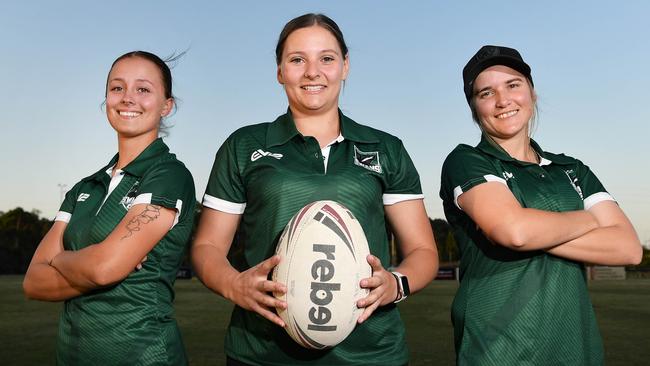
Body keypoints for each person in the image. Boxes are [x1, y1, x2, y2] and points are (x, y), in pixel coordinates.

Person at [192, 13, 438, 366]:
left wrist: (395, 285)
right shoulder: (244, 145)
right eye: (297, 60)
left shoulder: (386, 148)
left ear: (345, 66)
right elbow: (207, 246)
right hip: (261, 353)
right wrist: (234, 285)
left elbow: (423, 250)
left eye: (326, 58)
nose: (312, 72)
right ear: (279, 71)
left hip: (371, 354)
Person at [440, 45, 642, 365]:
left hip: (576, 349)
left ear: (532, 94)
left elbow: (628, 249)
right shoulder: (467, 161)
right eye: (486, 92)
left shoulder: (571, 169)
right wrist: (591, 219)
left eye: (513, 85)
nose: (503, 100)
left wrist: (534, 226)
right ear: (474, 108)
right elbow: (515, 232)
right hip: (497, 349)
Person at [23, 51, 196, 365]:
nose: (128, 98)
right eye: (118, 88)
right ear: (106, 100)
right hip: (72, 356)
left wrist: (59, 260)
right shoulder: (84, 188)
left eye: (143, 89)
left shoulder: (169, 175)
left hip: (146, 356)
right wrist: (97, 261)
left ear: (166, 106)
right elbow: (33, 281)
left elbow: (105, 269)